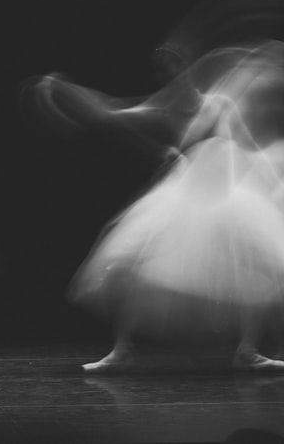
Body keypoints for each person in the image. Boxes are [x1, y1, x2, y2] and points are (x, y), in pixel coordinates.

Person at [34, 42, 284, 372]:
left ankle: (248, 350)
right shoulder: (164, 106)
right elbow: (112, 111)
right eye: (162, 70)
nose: (170, 73)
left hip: (228, 194)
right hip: (187, 193)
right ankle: (122, 351)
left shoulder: (218, 102)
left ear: (186, 66)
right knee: (128, 261)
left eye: (174, 65)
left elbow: (246, 144)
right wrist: (65, 90)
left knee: (266, 266)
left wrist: (273, 182)